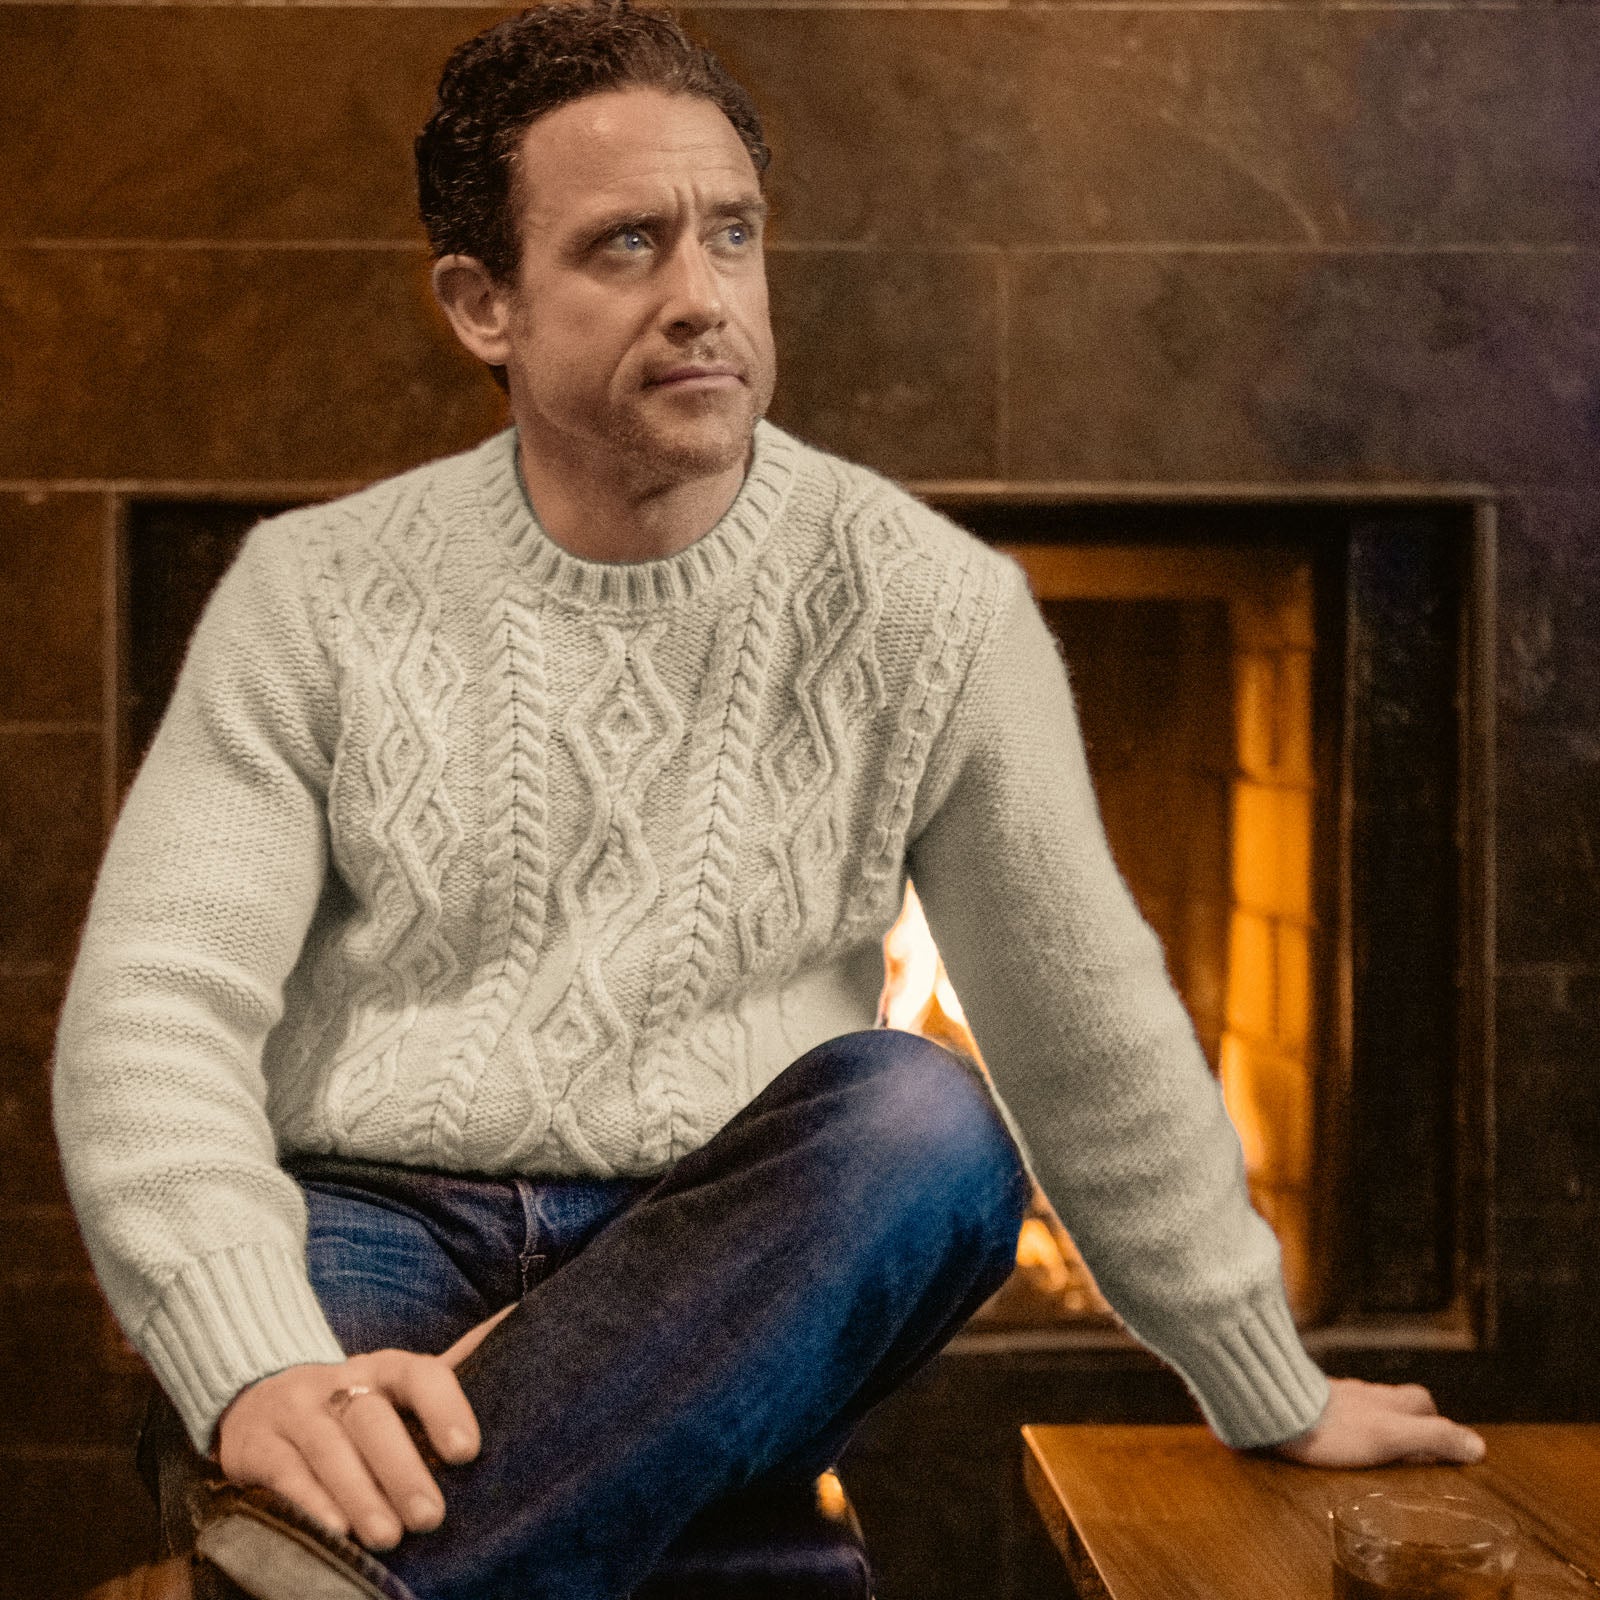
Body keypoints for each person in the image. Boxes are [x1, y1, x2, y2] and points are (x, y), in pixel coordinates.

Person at [52, 5, 1487, 1598]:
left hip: (731, 1257)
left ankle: (301, 1575)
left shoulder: (928, 606)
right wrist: (254, 1360)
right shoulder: (314, 595)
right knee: (433, 1459)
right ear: (481, 304)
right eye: (626, 245)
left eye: (731, 234)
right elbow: (154, 1010)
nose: (702, 296)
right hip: (368, 1219)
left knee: (930, 1121)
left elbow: (1083, 1023)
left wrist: (1266, 1381)